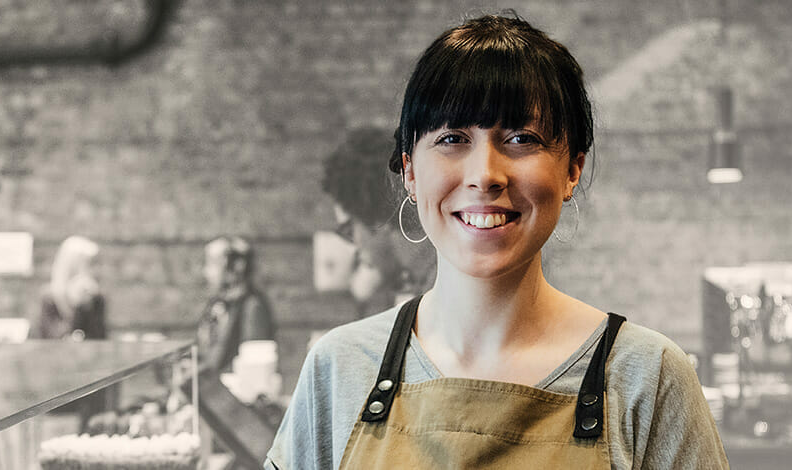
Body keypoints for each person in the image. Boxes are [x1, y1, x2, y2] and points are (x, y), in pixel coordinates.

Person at [267, 13, 728, 469]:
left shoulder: (649, 377)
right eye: (452, 138)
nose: (485, 175)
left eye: (521, 138)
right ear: (410, 171)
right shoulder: (339, 368)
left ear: (572, 170)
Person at [321, 127, 437, 315]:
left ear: (375, 221)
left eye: (349, 231)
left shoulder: (441, 291)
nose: (356, 247)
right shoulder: (432, 278)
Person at [196, 236, 276, 373]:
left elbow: (254, 367)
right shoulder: (216, 305)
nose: (206, 272)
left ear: (237, 266)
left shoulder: (252, 307)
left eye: (213, 263)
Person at [36, 235, 107, 341]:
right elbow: (48, 336)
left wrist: (83, 306)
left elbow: (98, 337)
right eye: (87, 264)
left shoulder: (96, 298)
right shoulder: (48, 298)